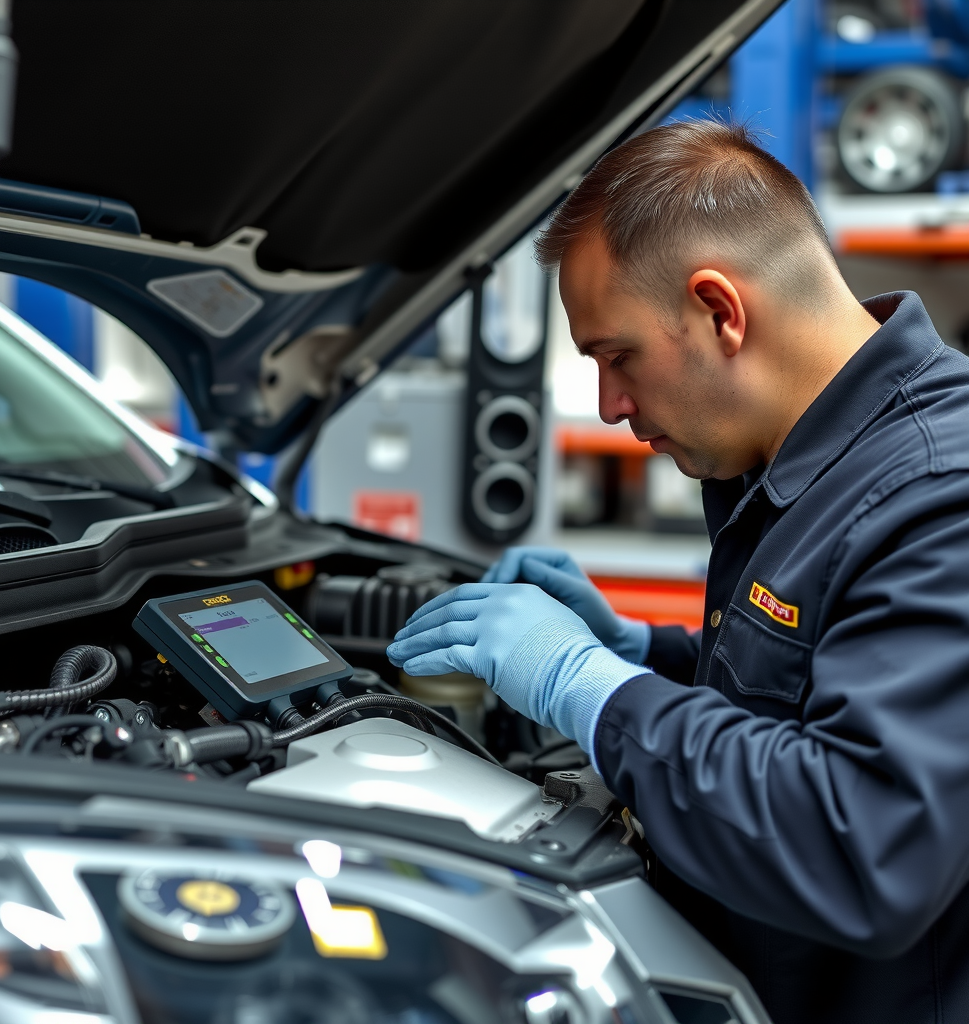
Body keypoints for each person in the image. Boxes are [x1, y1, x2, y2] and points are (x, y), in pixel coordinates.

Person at [387, 120, 969, 1024]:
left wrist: (590, 687)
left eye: (616, 356)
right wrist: (644, 654)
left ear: (721, 311)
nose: (611, 406)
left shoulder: (942, 493)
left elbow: (866, 848)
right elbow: (815, 686)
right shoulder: (812, 457)